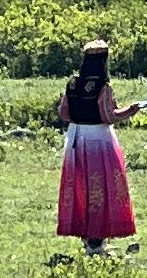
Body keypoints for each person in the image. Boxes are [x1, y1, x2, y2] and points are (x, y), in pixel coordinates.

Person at [55, 36, 141, 251]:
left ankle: (84, 234)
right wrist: (131, 110)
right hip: (99, 139)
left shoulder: (73, 83)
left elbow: (63, 113)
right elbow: (108, 116)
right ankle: (97, 236)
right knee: (102, 186)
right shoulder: (103, 87)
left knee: (80, 185)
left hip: (75, 138)